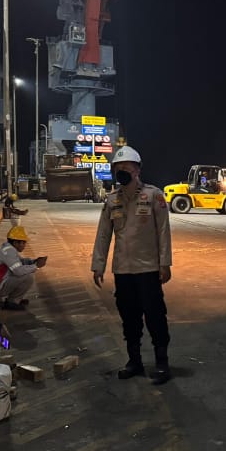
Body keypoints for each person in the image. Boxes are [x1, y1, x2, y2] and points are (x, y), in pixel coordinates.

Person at [91, 145, 173, 385]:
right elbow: (103, 235)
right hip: (123, 270)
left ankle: (162, 362)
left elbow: (163, 232)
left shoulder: (153, 196)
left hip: (148, 269)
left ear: (137, 170)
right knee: (129, 317)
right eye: (118, 168)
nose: (122, 172)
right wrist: (98, 264)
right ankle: (134, 361)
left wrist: (165, 263)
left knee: (155, 316)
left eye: (126, 168)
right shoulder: (112, 200)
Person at [0, 224, 47, 309]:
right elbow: (18, 271)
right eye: (23, 243)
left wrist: (33, 261)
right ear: (15, 243)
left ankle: (14, 300)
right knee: (28, 276)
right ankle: (13, 302)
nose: (24, 245)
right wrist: (36, 266)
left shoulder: (8, 249)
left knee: (26, 272)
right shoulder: (9, 251)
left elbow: (20, 262)